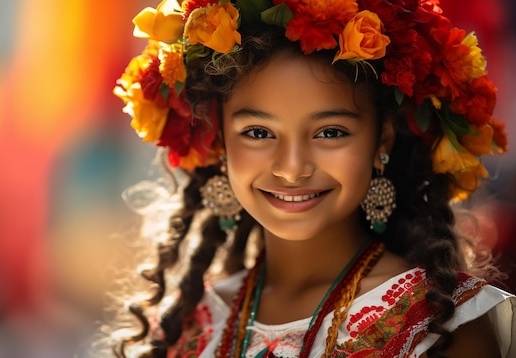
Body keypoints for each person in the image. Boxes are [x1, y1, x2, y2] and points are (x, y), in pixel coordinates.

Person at [112, 0, 515, 357]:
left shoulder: (440, 324)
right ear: (219, 141)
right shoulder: (187, 323)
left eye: (330, 133)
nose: (291, 168)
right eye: (258, 133)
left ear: (381, 139)